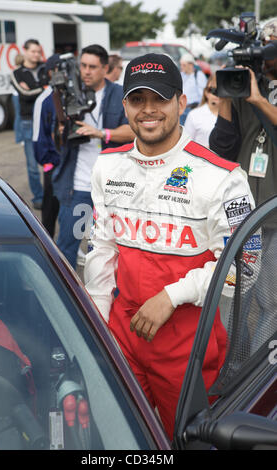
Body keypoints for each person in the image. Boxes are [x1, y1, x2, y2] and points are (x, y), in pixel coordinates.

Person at [84, 53, 255, 440]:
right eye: (137, 99)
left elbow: (247, 266)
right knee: (121, 435)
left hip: (187, 345)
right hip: (121, 334)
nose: (148, 110)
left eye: (159, 99)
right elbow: (102, 249)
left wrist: (172, 295)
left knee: (181, 440)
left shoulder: (222, 177)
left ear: (181, 102)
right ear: (124, 104)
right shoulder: (106, 167)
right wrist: (96, 321)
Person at [209, 18, 277, 352]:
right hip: (244, 209)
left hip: (276, 210)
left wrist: (259, 101)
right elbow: (221, 147)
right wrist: (226, 94)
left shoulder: (258, 93)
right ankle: (234, 369)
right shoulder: (245, 83)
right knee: (236, 298)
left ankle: (260, 371)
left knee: (271, 300)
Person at [52, 44, 135, 269]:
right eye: (83, 66)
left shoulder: (120, 94)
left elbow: (134, 130)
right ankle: (66, 299)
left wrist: (101, 133)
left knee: (115, 248)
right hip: (78, 186)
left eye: (93, 67)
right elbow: (55, 138)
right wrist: (61, 132)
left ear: (105, 68)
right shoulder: (67, 93)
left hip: (114, 187)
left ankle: (114, 299)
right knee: (66, 247)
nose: (86, 71)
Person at [10, 39, 45, 210]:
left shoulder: (45, 68)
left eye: (38, 51)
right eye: (33, 51)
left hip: (46, 120)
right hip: (28, 122)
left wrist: (35, 89)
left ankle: (52, 195)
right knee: (32, 165)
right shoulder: (17, 73)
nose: (37, 55)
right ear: (24, 51)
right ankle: (39, 197)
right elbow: (24, 94)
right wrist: (43, 88)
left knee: (50, 160)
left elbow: (51, 88)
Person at [32, 54, 61, 238]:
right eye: (58, 69)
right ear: (50, 72)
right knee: (50, 210)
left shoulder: (77, 94)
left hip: (75, 163)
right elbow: (38, 135)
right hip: (53, 164)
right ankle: (47, 244)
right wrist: (47, 162)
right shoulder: (43, 99)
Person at [184, 74, 219, 147]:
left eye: (220, 91)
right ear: (206, 92)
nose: (216, 95)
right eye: (212, 90)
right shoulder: (194, 115)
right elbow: (185, 145)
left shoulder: (234, 116)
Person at [180, 53, 207, 125]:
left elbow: (203, 94)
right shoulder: (182, 75)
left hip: (193, 109)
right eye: (181, 65)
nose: (182, 67)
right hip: (182, 109)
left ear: (191, 64)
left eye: (184, 65)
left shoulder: (199, 75)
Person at [11, 54, 24, 145]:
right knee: (19, 116)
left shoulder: (14, 70)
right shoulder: (18, 71)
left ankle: (19, 137)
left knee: (18, 116)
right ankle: (19, 138)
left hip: (14, 95)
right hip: (18, 95)